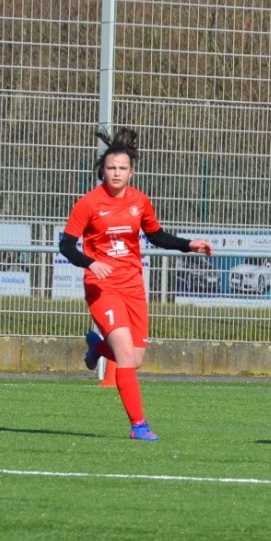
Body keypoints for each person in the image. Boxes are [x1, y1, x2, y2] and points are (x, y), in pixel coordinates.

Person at [61, 127, 213, 441]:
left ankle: (97, 347)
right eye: (111, 168)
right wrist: (91, 263)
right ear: (102, 171)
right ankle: (138, 425)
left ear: (131, 172)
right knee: (126, 356)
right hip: (102, 287)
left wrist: (189, 245)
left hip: (133, 286)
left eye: (122, 168)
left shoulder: (140, 201)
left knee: (135, 359)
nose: (116, 173)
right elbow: (66, 245)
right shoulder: (88, 203)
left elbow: (156, 236)